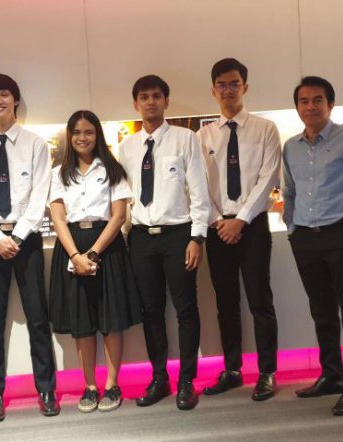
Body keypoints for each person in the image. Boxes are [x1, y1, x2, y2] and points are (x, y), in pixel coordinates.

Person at [0, 73, 58, 422]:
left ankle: (46, 388)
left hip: (26, 239)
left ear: (15, 99)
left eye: (4, 94)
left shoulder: (35, 143)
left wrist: (16, 237)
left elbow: (40, 193)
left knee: (38, 317)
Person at [282, 76, 343, 416]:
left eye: (317, 100)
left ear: (331, 104)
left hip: (340, 235)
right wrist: (292, 227)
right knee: (321, 312)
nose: (310, 106)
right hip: (305, 239)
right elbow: (289, 192)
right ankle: (332, 374)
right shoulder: (290, 147)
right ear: (297, 107)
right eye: (304, 101)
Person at [118, 75, 210, 411]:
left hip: (178, 236)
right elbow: (124, 196)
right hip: (141, 238)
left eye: (157, 96)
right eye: (144, 97)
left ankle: (187, 380)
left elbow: (199, 191)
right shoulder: (127, 147)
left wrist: (197, 237)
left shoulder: (186, 138)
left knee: (186, 310)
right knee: (151, 311)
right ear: (136, 104)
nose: (151, 102)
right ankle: (160, 378)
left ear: (166, 101)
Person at [197, 58, 281, 401]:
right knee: (226, 302)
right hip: (217, 228)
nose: (228, 90)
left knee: (260, 300)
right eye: (222, 84)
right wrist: (219, 220)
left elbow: (269, 177)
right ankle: (232, 370)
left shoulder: (266, 129)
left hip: (253, 225)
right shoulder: (202, 135)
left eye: (234, 83)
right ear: (213, 90)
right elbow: (198, 185)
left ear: (245, 87)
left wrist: (241, 220)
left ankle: (267, 372)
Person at [48, 110, 142, 413]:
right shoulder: (58, 173)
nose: (82, 137)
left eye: (88, 132)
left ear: (97, 135)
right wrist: (76, 256)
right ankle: (90, 386)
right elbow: (58, 218)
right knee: (82, 322)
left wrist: (93, 254)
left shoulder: (113, 169)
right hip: (72, 246)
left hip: (107, 246)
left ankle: (112, 384)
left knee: (111, 320)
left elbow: (119, 216)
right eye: (76, 132)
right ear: (69, 136)